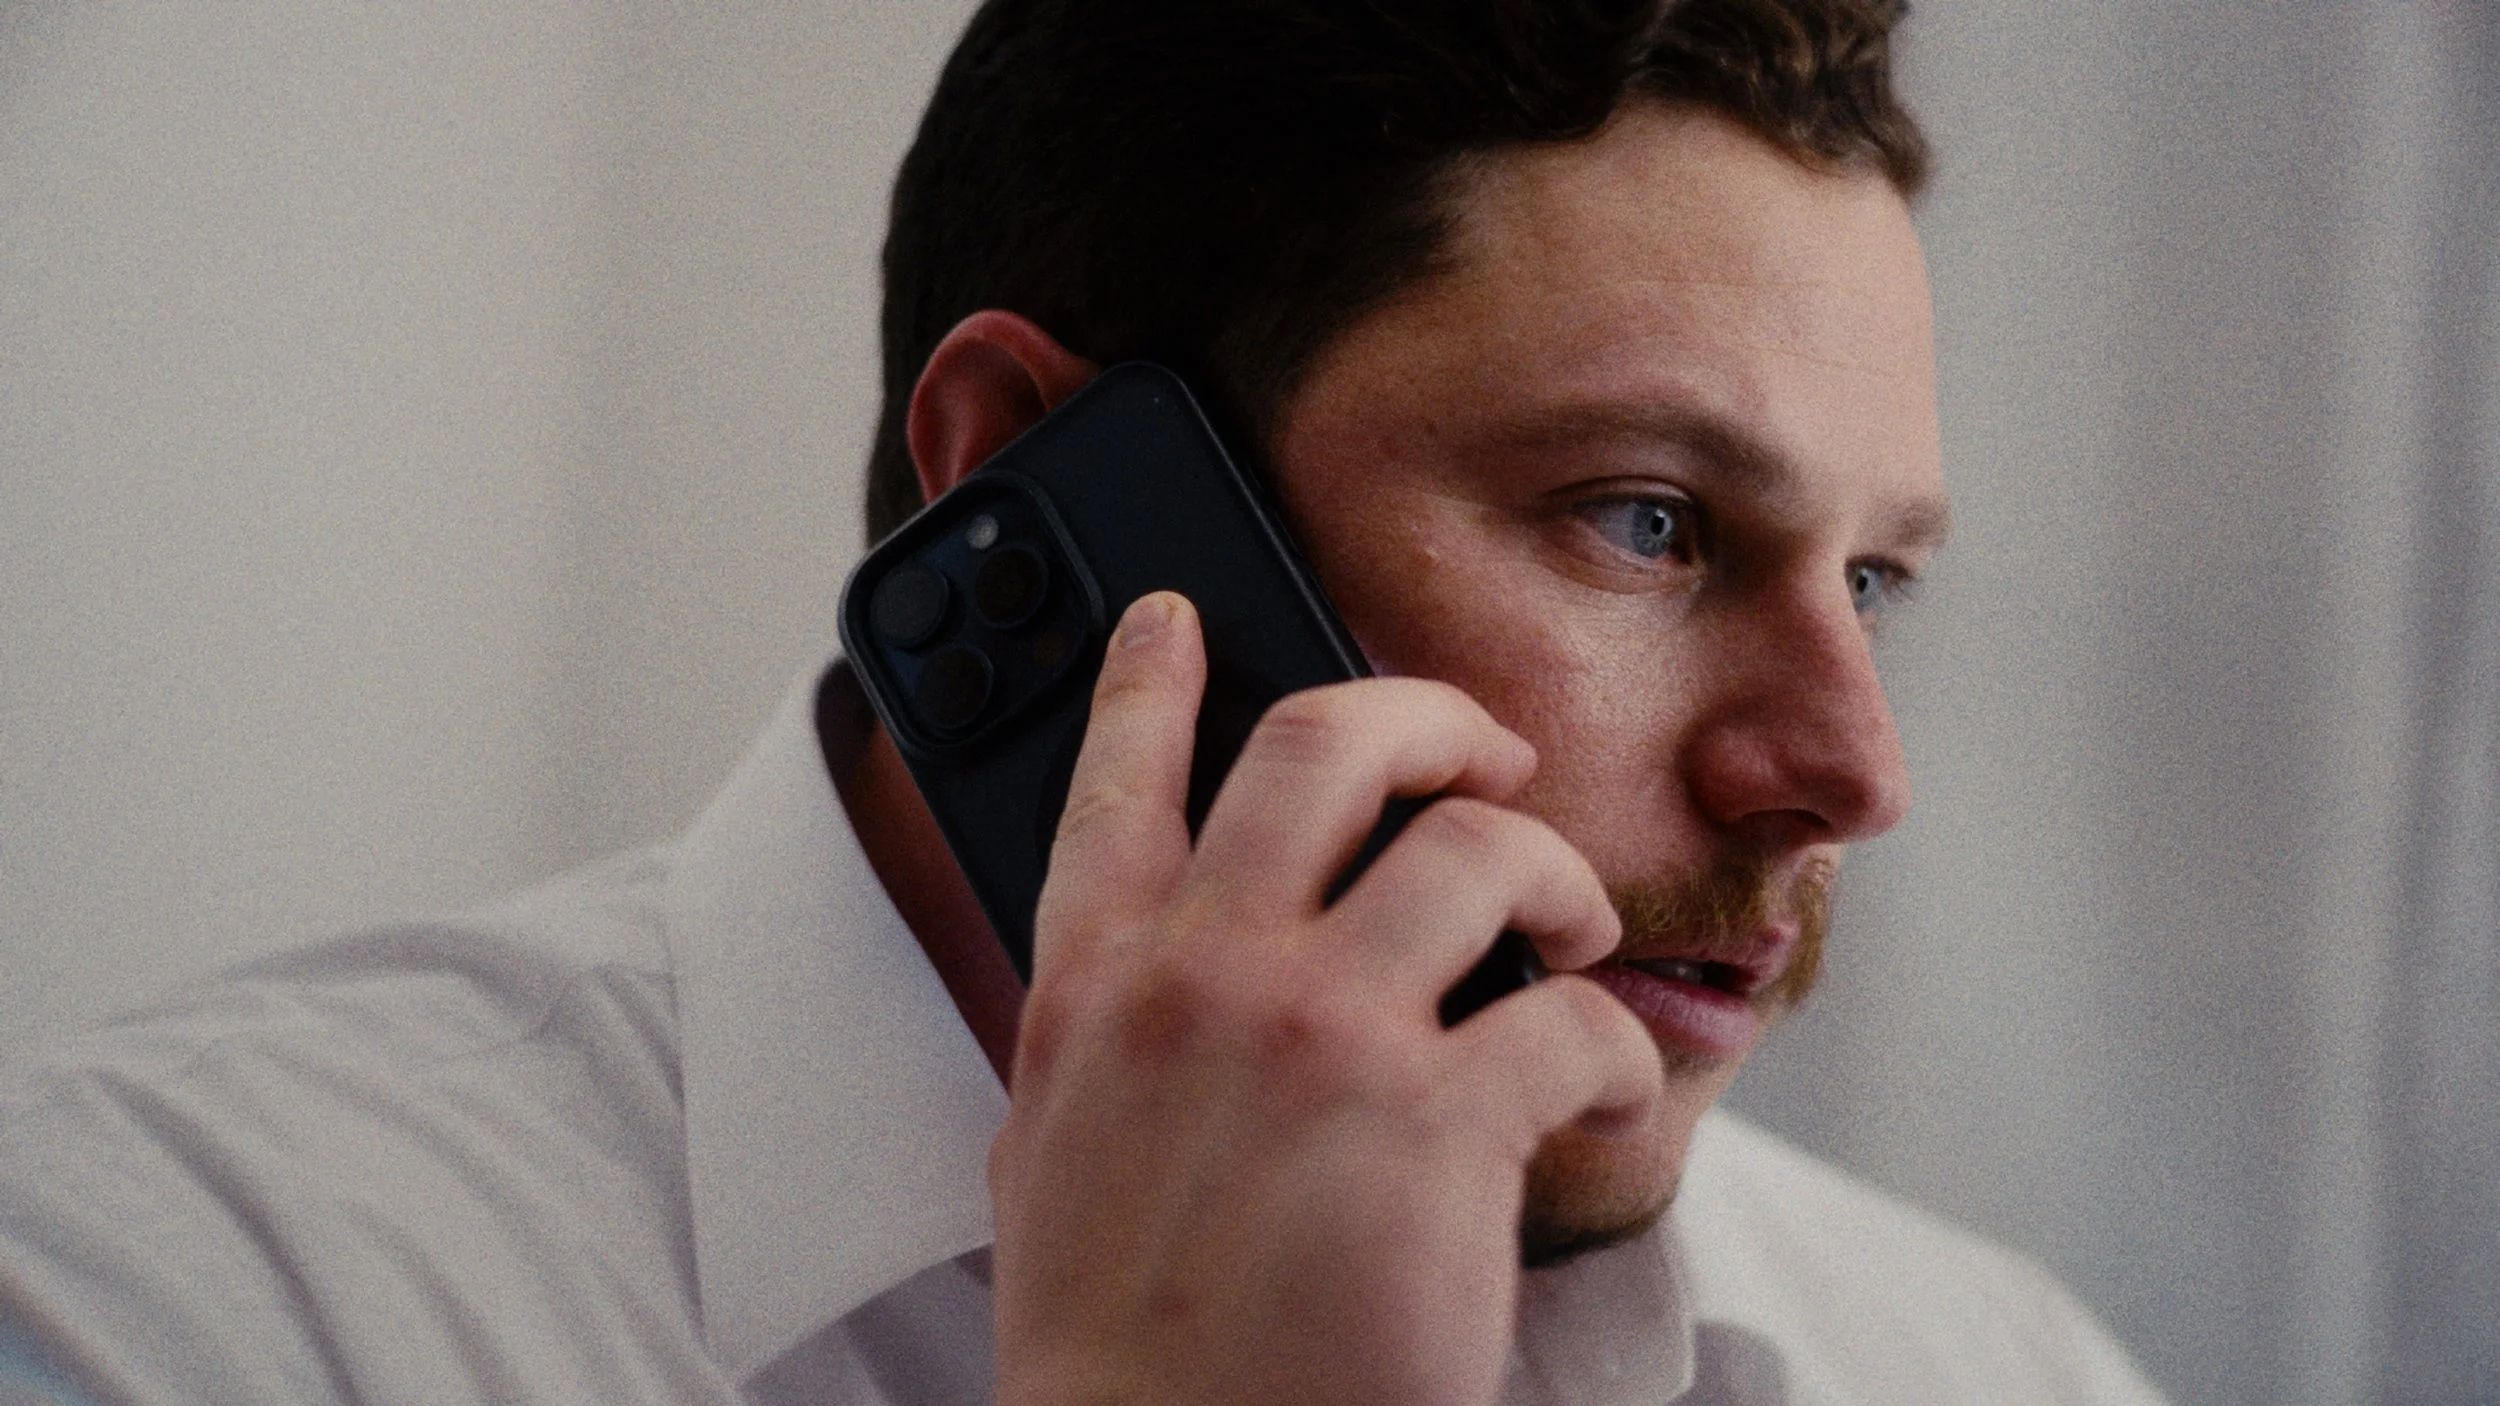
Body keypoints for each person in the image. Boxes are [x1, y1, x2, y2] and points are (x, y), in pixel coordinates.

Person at [0, 1, 2174, 1402]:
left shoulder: (1996, 1365)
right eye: (1644, 522)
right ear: (1023, 496)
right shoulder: (155, 1295)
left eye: (1872, 577)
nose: (1845, 771)